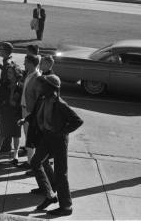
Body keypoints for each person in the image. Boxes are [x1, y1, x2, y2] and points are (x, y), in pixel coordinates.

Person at [19, 75, 83, 216]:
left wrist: (61, 132)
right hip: (47, 137)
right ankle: (49, 195)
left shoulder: (60, 104)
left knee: (61, 173)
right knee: (36, 162)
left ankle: (66, 207)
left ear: (51, 88)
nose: (40, 87)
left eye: (43, 85)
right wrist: (25, 119)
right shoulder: (43, 99)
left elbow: (77, 121)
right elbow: (36, 114)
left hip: (59, 141)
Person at [0, 42, 23, 166]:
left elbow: (21, 102)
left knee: (15, 135)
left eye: (11, 73)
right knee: (3, 133)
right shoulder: (5, 85)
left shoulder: (20, 87)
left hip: (15, 113)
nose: (8, 75)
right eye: (8, 73)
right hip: (5, 112)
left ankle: (13, 154)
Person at [18, 54, 41, 169]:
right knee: (28, 136)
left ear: (31, 63)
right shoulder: (29, 74)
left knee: (30, 137)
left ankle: (31, 162)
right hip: (25, 109)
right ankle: (30, 159)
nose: (24, 64)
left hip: (30, 111)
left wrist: (33, 114)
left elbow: (38, 98)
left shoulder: (37, 77)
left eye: (25, 62)